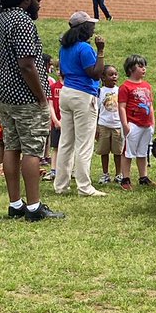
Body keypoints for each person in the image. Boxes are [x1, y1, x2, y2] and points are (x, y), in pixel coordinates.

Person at [0, 0, 64, 221]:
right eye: (38, 1)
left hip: (4, 96)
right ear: (26, 0)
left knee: (12, 147)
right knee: (32, 150)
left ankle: (15, 204)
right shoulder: (22, 21)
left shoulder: (0, 21)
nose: (39, 6)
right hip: (26, 97)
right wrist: (42, 98)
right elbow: (27, 65)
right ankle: (34, 207)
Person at [54, 11, 106, 197]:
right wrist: (100, 51)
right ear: (84, 28)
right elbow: (95, 73)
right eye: (91, 25)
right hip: (83, 95)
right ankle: (84, 187)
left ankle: (61, 185)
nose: (93, 28)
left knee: (66, 141)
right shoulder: (84, 48)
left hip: (67, 93)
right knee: (84, 143)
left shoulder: (64, 48)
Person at [118, 55, 156, 189]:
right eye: (140, 66)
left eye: (144, 66)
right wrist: (125, 124)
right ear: (130, 69)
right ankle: (125, 179)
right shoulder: (125, 87)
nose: (144, 69)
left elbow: (150, 105)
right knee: (128, 152)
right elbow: (122, 106)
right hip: (133, 123)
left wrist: (153, 121)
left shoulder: (147, 86)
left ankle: (143, 176)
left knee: (143, 151)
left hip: (146, 124)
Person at [96, 65, 124, 184]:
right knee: (104, 151)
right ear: (103, 77)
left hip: (117, 125)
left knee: (118, 152)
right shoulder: (100, 91)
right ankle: (105, 174)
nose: (114, 77)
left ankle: (119, 174)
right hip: (103, 125)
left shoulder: (120, 91)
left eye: (115, 74)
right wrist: (96, 126)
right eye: (111, 74)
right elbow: (96, 109)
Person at [47, 63, 63, 180]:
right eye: (57, 69)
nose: (59, 71)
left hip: (68, 122)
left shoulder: (70, 87)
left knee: (70, 147)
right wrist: (56, 121)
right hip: (56, 123)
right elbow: (50, 105)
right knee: (55, 147)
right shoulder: (53, 87)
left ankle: (69, 169)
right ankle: (53, 170)